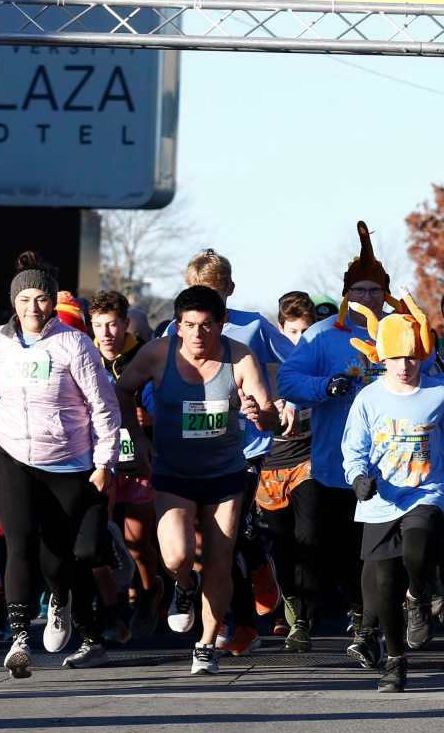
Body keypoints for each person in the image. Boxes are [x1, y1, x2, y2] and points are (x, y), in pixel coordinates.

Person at [0, 252, 121, 679]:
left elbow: (103, 406)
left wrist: (104, 462)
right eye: (25, 299)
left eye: (41, 299)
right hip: (11, 454)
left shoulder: (74, 343)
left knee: (59, 557)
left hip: (67, 462)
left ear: (52, 302)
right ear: (14, 302)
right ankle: (18, 640)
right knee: (19, 542)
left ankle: (62, 600)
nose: (33, 307)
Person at [115, 285, 279, 675]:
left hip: (225, 475)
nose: (197, 334)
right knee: (176, 555)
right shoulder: (158, 353)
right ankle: (183, 585)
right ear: (177, 326)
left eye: (206, 325)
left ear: (221, 324)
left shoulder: (240, 357)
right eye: (189, 325)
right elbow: (122, 390)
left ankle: (205, 644)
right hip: (174, 473)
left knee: (220, 560)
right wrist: (137, 438)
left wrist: (259, 414)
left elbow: (270, 416)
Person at [341, 293, 444, 692]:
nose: (405, 366)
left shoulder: (439, 394)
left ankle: (418, 595)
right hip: (381, 497)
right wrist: (358, 477)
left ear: (421, 355)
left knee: (417, 549)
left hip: (426, 490)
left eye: (411, 357)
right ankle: (395, 660)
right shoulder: (368, 398)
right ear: (382, 358)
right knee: (385, 582)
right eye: (396, 358)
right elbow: (354, 448)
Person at [279, 222, 395, 647]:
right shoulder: (323, 334)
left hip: (394, 464)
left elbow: (437, 381)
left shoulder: (400, 331)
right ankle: (341, 611)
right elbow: (288, 380)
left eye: (374, 291)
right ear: (346, 295)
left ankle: (375, 617)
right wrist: (324, 386)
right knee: (340, 546)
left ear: (386, 294)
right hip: (336, 463)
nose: (366, 298)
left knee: (381, 548)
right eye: (358, 290)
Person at [89, 289, 164, 637]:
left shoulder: (143, 355)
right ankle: (111, 609)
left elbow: (161, 403)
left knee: (137, 540)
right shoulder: (85, 354)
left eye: (112, 325)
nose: (105, 333)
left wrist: (148, 417)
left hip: (138, 458)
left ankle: (149, 592)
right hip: (98, 461)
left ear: (125, 324)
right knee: (97, 538)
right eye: (98, 325)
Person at [257, 294, 319, 651]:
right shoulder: (265, 370)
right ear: (280, 331)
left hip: (308, 461)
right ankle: (290, 600)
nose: (298, 340)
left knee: (307, 537)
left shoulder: (319, 364)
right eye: (292, 332)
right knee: (281, 545)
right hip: (270, 466)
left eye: (306, 332)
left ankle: (304, 620)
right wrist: (265, 410)